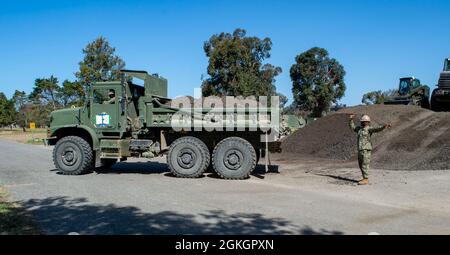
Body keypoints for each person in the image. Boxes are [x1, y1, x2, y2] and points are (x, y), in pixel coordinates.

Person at [349, 114, 391, 185]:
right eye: (362, 121)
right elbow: (352, 127)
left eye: (364, 121)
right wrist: (351, 120)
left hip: (366, 150)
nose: (363, 122)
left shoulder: (369, 129)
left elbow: (377, 129)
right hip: (360, 150)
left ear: (368, 122)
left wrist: (384, 126)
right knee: (361, 165)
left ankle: (366, 179)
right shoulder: (359, 129)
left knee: (365, 164)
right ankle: (364, 178)